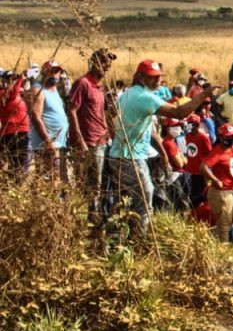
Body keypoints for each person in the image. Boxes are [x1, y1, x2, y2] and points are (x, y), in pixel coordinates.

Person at [107, 60, 218, 230]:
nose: (157, 80)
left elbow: (113, 116)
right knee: (145, 201)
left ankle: (121, 237)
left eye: (159, 77)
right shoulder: (145, 97)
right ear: (141, 77)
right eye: (152, 77)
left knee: (126, 202)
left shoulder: (128, 94)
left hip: (117, 156)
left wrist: (117, 137)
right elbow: (179, 112)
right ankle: (139, 242)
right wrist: (203, 95)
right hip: (131, 159)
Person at [68, 48, 115, 208]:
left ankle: (100, 218)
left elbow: (103, 113)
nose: (107, 65)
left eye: (108, 62)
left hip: (104, 140)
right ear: (94, 63)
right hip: (91, 142)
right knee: (92, 185)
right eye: (103, 62)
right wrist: (80, 140)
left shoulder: (100, 86)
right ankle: (92, 221)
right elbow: (72, 110)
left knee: (105, 184)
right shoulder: (83, 83)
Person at [200, 124, 233, 242]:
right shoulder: (217, 151)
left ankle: (213, 242)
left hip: (230, 190)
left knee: (230, 220)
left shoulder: (231, 149)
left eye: (232, 137)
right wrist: (215, 180)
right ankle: (222, 249)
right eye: (227, 137)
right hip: (221, 192)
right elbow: (203, 167)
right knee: (224, 224)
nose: (230, 140)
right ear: (221, 137)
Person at [27, 61, 70, 181]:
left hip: (59, 142)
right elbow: (36, 117)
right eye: (52, 71)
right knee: (48, 177)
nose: (55, 75)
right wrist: (48, 141)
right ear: (44, 72)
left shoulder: (54, 90)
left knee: (57, 177)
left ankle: (56, 198)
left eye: (58, 72)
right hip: (46, 143)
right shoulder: (38, 90)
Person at [0, 69, 29, 171]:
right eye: (12, 79)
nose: (14, 82)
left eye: (14, 79)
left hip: (21, 132)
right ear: (4, 81)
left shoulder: (16, 95)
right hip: (13, 132)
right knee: (16, 163)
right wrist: (20, 79)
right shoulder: (3, 94)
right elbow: (13, 92)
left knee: (19, 162)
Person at [183, 114, 213, 208]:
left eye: (191, 124)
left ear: (197, 125)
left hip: (200, 172)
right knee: (192, 195)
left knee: (201, 195)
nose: (189, 125)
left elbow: (209, 154)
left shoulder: (203, 137)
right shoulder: (187, 135)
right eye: (188, 123)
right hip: (189, 170)